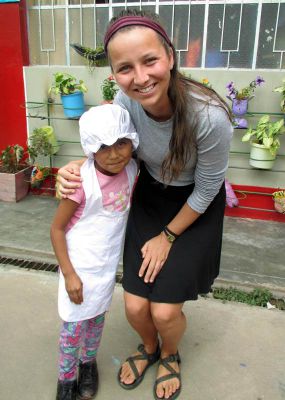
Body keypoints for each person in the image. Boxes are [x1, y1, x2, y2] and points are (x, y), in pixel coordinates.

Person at [56, 9, 234, 400]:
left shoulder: (209, 116)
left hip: (195, 207)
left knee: (165, 312)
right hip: (152, 197)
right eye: (125, 68)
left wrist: (167, 237)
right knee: (136, 309)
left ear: (170, 55)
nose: (140, 78)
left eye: (150, 60)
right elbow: (107, 144)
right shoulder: (124, 101)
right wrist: (77, 167)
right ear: (114, 74)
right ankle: (149, 347)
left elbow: (206, 191)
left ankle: (169, 353)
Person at [50, 104, 139, 400]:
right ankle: (65, 379)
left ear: (132, 141)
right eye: (103, 146)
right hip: (78, 270)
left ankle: (88, 364)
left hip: (105, 267)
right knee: (73, 329)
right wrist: (70, 275)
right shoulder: (80, 183)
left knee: (97, 319)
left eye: (121, 143)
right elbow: (57, 230)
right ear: (90, 147)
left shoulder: (132, 170)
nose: (114, 154)